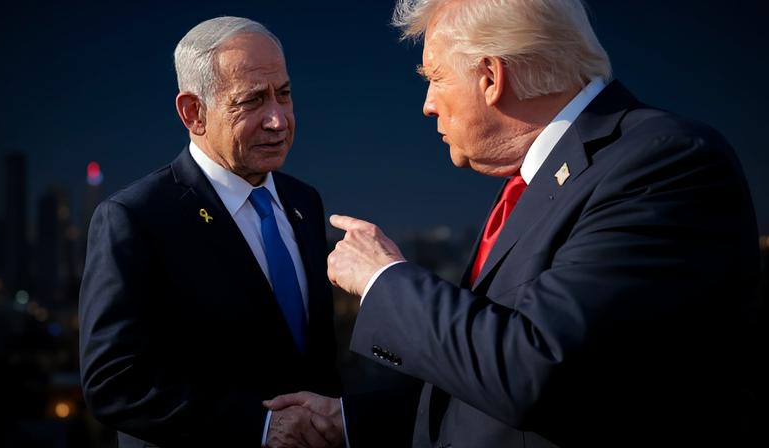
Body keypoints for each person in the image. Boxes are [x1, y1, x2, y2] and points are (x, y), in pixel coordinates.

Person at [316, 0, 761, 446]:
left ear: (491, 77)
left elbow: (535, 366)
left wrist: (382, 277)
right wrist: (348, 421)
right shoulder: (541, 181)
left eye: (434, 77)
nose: (428, 105)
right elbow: (486, 382)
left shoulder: (663, 162)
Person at [79, 17, 345, 447]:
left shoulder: (304, 202)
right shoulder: (136, 217)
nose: (278, 120)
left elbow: (313, 358)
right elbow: (114, 384)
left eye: (284, 93)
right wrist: (259, 428)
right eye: (252, 101)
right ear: (193, 112)